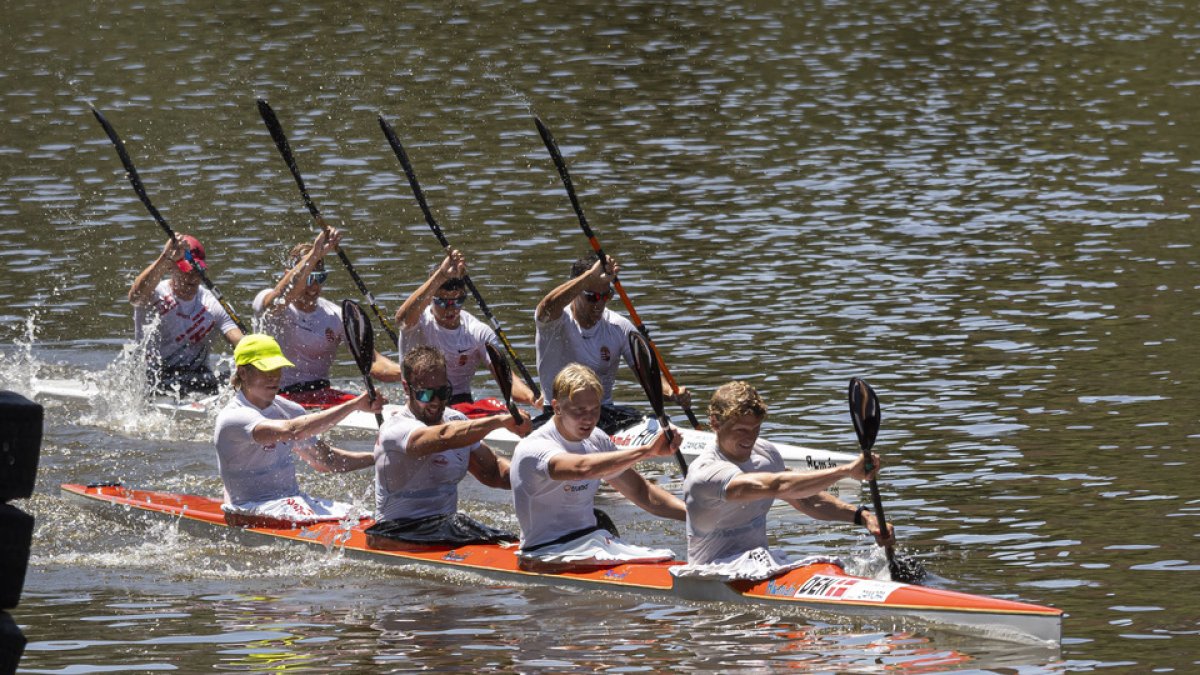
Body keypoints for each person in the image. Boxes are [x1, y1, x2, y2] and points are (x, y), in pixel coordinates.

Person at [674, 381, 895, 581]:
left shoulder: (766, 453)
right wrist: (846, 471)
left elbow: (807, 501)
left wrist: (863, 517)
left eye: (755, 428)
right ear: (715, 423)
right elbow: (774, 485)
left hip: (760, 568)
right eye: (741, 429)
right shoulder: (705, 473)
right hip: (712, 574)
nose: (750, 438)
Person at [510, 363, 685, 569]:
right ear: (557, 407)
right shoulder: (535, 447)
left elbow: (641, 491)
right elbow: (582, 469)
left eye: (595, 409)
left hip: (592, 541)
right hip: (545, 550)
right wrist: (647, 451)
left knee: (665, 557)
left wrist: (695, 514)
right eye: (579, 410)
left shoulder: (597, 440)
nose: (589, 418)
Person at [367, 345, 532, 547]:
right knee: (469, 527)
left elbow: (493, 472)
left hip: (445, 527)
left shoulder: (457, 420)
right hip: (396, 531)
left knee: (507, 539)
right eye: (426, 395)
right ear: (406, 388)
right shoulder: (395, 429)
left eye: (443, 391)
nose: (436, 401)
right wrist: (498, 421)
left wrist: (540, 476)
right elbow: (443, 437)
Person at [213, 333, 384, 526]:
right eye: (265, 370)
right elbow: (293, 431)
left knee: (364, 516)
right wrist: (353, 405)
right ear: (243, 373)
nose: (274, 377)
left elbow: (327, 461)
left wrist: (379, 458)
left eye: (277, 368)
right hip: (249, 508)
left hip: (291, 503)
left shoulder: (290, 410)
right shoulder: (234, 417)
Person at [533, 253, 689, 434]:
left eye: (606, 296)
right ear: (576, 292)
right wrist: (589, 277)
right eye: (592, 297)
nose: (599, 304)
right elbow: (547, 306)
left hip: (604, 414)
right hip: (559, 414)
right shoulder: (554, 322)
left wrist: (672, 393)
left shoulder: (618, 326)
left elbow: (648, 375)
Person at [254, 227, 401, 408]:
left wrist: (408, 371)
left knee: (380, 406)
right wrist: (315, 254)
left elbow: (373, 362)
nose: (314, 287)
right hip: (278, 397)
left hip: (321, 394)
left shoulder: (335, 315)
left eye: (320, 278)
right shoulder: (271, 305)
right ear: (288, 275)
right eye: (309, 278)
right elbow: (277, 299)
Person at [395, 249, 536, 415]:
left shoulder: (478, 331)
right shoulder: (418, 322)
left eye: (457, 301)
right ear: (431, 298)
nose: (451, 309)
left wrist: (532, 398)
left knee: (497, 407)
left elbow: (506, 377)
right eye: (442, 301)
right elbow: (401, 319)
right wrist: (441, 274)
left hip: (460, 403)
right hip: (422, 400)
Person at [128, 233, 244, 396]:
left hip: (198, 376)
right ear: (170, 267)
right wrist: (165, 256)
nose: (193, 277)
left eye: (198, 270)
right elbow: (134, 297)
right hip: (154, 377)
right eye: (186, 270)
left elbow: (239, 341)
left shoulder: (213, 303)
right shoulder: (154, 295)